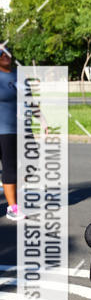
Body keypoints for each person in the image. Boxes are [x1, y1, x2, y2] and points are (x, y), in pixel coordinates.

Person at [0, 46, 24, 220]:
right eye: (1, 53)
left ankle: (12, 208)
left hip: (10, 131)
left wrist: (42, 120)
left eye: (7, 52)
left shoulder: (18, 76)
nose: (5, 55)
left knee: (9, 169)